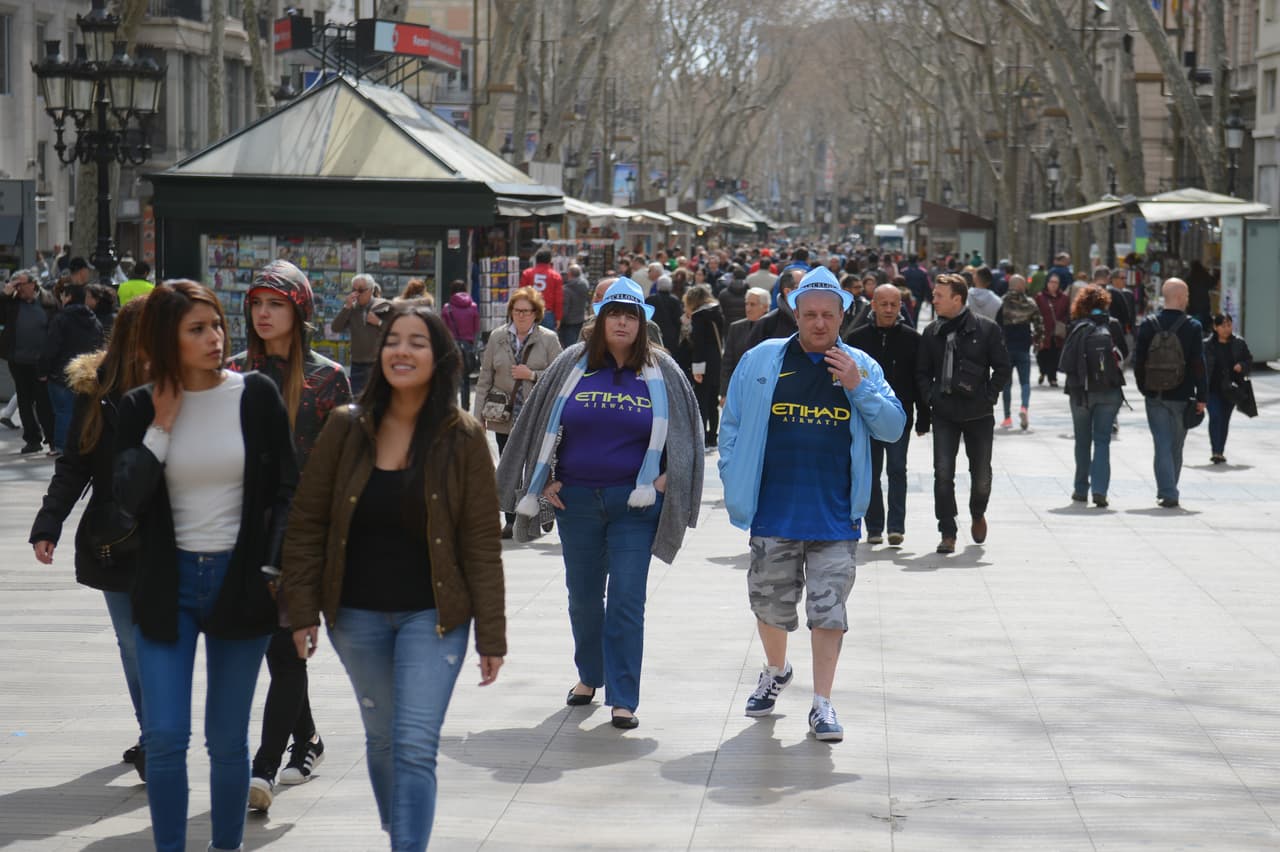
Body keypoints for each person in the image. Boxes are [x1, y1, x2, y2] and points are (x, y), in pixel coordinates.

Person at [280, 304, 504, 851]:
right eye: (392, 341)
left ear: (440, 358)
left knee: (413, 746)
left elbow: (480, 541)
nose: (402, 351)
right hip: (355, 617)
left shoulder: (463, 436)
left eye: (417, 342)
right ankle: (401, 828)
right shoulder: (345, 426)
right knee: (382, 742)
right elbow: (308, 522)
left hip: (436, 617)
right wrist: (300, 609)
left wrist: (492, 636)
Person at [113, 280, 298, 852]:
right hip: (166, 586)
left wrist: (274, 569)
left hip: (240, 583)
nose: (215, 337)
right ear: (167, 338)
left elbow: (288, 490)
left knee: (226, 740)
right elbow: (124, 499)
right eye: (197, 329)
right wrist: (162, 426)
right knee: (165, 737)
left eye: (217, 323)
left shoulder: (256, 395)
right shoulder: (140, 406)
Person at [494, 278, 703, 730]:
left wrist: (668, 480)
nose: (623, 322)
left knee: (627, 599)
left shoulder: (662, 370)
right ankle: (590, 675)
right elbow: (537, 422)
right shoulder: (572, 364)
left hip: (636, 505)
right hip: (578, 504)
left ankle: (624, 698)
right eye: (614, 314)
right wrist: (544, 478)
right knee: (584, 600)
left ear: (642, 322)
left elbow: (687, 433)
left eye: (631, 315)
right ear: (601, 320)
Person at [719, 266, 905, 742]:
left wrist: (857, 385)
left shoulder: (860, 364)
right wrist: (731, 470)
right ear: (795, 313)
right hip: (773, 510)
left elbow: (892, 427)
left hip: (835, 516)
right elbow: (733, 422)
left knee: (829, 611)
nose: (819, 324)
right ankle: (776, 670)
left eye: (828, 315)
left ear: (843, 315)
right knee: (770, 606)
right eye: (810, 315)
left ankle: (823, 703)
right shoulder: (763, 360)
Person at [227, 260, 352, 814]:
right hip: (238, 532)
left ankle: (263, 769)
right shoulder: (229, 374)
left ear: (298, 311)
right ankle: (308, 740)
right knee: (276, 652)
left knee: (285, 650)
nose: (263, 313)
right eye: (256, 304)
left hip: (303, 536)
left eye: (275, 304)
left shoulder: (328, 378)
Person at [29, 299, 148, 779]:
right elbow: (75, 462)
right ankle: (151, 732)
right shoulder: (96, 390)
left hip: (170, 537)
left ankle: (161, 734)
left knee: (157, 639)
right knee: (131, 642)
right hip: (113, 537)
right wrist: (48, 522)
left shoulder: (186, 389)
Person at [916, 274, 1012, 554]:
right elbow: (922, 372)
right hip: (944, 413)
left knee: (981, 475)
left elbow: (1003, 368)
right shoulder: (932, 331)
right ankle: (947, 531)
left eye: (939, 296)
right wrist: (930, 396)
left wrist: (989, 395)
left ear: (957, 299)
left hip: (978, 414)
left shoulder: (986, 329)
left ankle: (978, 511)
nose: (933, 300)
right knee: (943, 473)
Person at [472, 286, 563, 537]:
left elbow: (561, 377)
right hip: (504, 414)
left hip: (537, 414)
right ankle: (511, 519)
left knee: (536, 466)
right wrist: (477, 415)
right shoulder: (497, 337)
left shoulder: (549, 339)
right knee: (509, 465)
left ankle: (540, 512)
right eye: (516, 310)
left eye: (526, 311)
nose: (521, 316)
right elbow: (485, 377)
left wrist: (532, 375)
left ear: (537, 313)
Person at [847, 283, 927, 546]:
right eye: (884, 304)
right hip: (865, 417)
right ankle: (874, 527)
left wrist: (923, 416)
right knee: (869, 471)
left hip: (899, 418)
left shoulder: (912, 339)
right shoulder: (857, 339)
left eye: (895, 304)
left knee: (896, 470)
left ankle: (896, 527)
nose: (890, 309)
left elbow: (919, 380)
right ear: (874, 305)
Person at [1133, 278, 1207, 508]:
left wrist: (1144, 388)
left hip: (1155, 395)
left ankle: (1168, 490)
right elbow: (1198, 364)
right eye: (1186, 295)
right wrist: (1202, 396)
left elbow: (1137, 362)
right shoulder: (1192, 327)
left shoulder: (1148, 324)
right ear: (1179, 296)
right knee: (1176, 445)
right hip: (1182, 395)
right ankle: (1169, 489)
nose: (1187, 299)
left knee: (1161, 444)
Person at [1059, 285, 1128, 507]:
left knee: (1082, 442)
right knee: (1102, 441)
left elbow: (1068, 358)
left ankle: (1080, 489)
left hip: (1080, 393)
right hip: (1109, 391)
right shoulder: (1113, 325)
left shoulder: (1075, 326)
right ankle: (1100, 491)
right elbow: (1124, 352)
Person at [40, 281, 105, 455]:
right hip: (84, 373)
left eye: (63, 295)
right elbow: (99, 347)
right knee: (83, 411)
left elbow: (51, 347)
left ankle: (61, 445)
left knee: (62, 411)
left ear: (68, 297)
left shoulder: (60, 319)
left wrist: (43, 371)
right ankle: (82, 443)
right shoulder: (94, 321)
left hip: (60, 373)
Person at [1, 269, 58, 453]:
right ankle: (32, 439)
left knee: (44, 402)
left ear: (33, 284)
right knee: (24, 402)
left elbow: (57, 329)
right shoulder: (11, 303)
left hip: (41, 362)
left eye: (21, 284)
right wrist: (4, 295)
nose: (18, 288)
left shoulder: (48, 302)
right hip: (18, 360)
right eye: (15, 285)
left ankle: (52, 439)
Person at [332, 274, 393, 395]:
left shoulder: (382, 306)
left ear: (370, 290)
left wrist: (379, 322)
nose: (356, 294)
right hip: (357, 365)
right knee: (357, 401)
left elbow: (394, 331)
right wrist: (347, 307)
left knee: (376, 398)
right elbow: (335, 328)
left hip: (376, 364)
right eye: (354, 290)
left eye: (360, 290)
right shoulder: (351, 309)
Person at [996, 274, 1043, 430]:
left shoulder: (1001, 302)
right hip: (1023, 346)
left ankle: (1007, 417)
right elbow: (1039, 325)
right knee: (1025, 382)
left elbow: (994, 324)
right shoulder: (1030, 303)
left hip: (1005, 347)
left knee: (1007, 384)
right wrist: (1038, 341)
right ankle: (1024, 408)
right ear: (1023, 286)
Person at [1203, 313, 1252, 465]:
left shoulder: (1239, 343)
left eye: (1229, 325)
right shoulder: (1207, 345)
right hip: (1212, 389)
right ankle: (1215, 450)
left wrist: (1242, 366)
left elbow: (1248, 360)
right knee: (1215, 416)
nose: (1226, 329)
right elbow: (1198, 364)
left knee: (1224, 419)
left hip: (1231, 390)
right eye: (1222, 326)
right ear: (1215, 327)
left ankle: (1220, 451)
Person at [684, 284, 725, 449]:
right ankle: (712, 437)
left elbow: (699, 345)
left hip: (703, 363)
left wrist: (697, 369)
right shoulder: (717, 312)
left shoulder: (699, 316)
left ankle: (701, 436)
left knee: (702, 400)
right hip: (717, 361)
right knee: (713, 401)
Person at [720, 286, 770, 397]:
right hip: (740, 390)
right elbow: (727, 363)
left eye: (752, 304)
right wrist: (724, 393)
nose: (748, 308)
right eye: (746, 304)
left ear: (765, 307)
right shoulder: (736, 328)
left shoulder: (774, 328)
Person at [440, 279, 480, 411]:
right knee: (466, 378)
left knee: (452, 377)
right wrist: (473, 346)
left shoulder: (447, 308)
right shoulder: (473, 306)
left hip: (452, 346)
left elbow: (443, 330)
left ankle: (453, 407)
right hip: (467, 346)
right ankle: (466, 407)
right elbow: (476, 328)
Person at [1034, 273, 1070, 386]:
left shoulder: (1064, 298)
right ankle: (1043, 372)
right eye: (1051, 282)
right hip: (1043, 331)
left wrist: (1064, 324)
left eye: (1056, 282)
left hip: (1057, 332)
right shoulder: (1040, 297)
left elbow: (1067, 313)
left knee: (1055, 355)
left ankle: (1052, 378)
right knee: (1042, 354)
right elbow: (1035, 312)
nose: (1053, 285)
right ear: (1047, 283)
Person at [521, 247, 564, 330]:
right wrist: (558, 318)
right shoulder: (556, 276)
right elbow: (558, 300)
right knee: (547, 341)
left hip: (529, 312)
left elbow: (521, 296)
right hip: (547, 314)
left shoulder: (527, 273)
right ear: (550, 260)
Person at [646, 275, 683, 351]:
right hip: (670, 335)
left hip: (652, 333)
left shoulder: (650, 299)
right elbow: (678, 319)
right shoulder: (675, 300)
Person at [559, 263, 591, 349]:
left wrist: (560, 321)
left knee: (569, 347)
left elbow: (565, 308)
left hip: (568, 322)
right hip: (580, 319)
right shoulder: (585, 286)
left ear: (569, 274)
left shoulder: (566, 290)